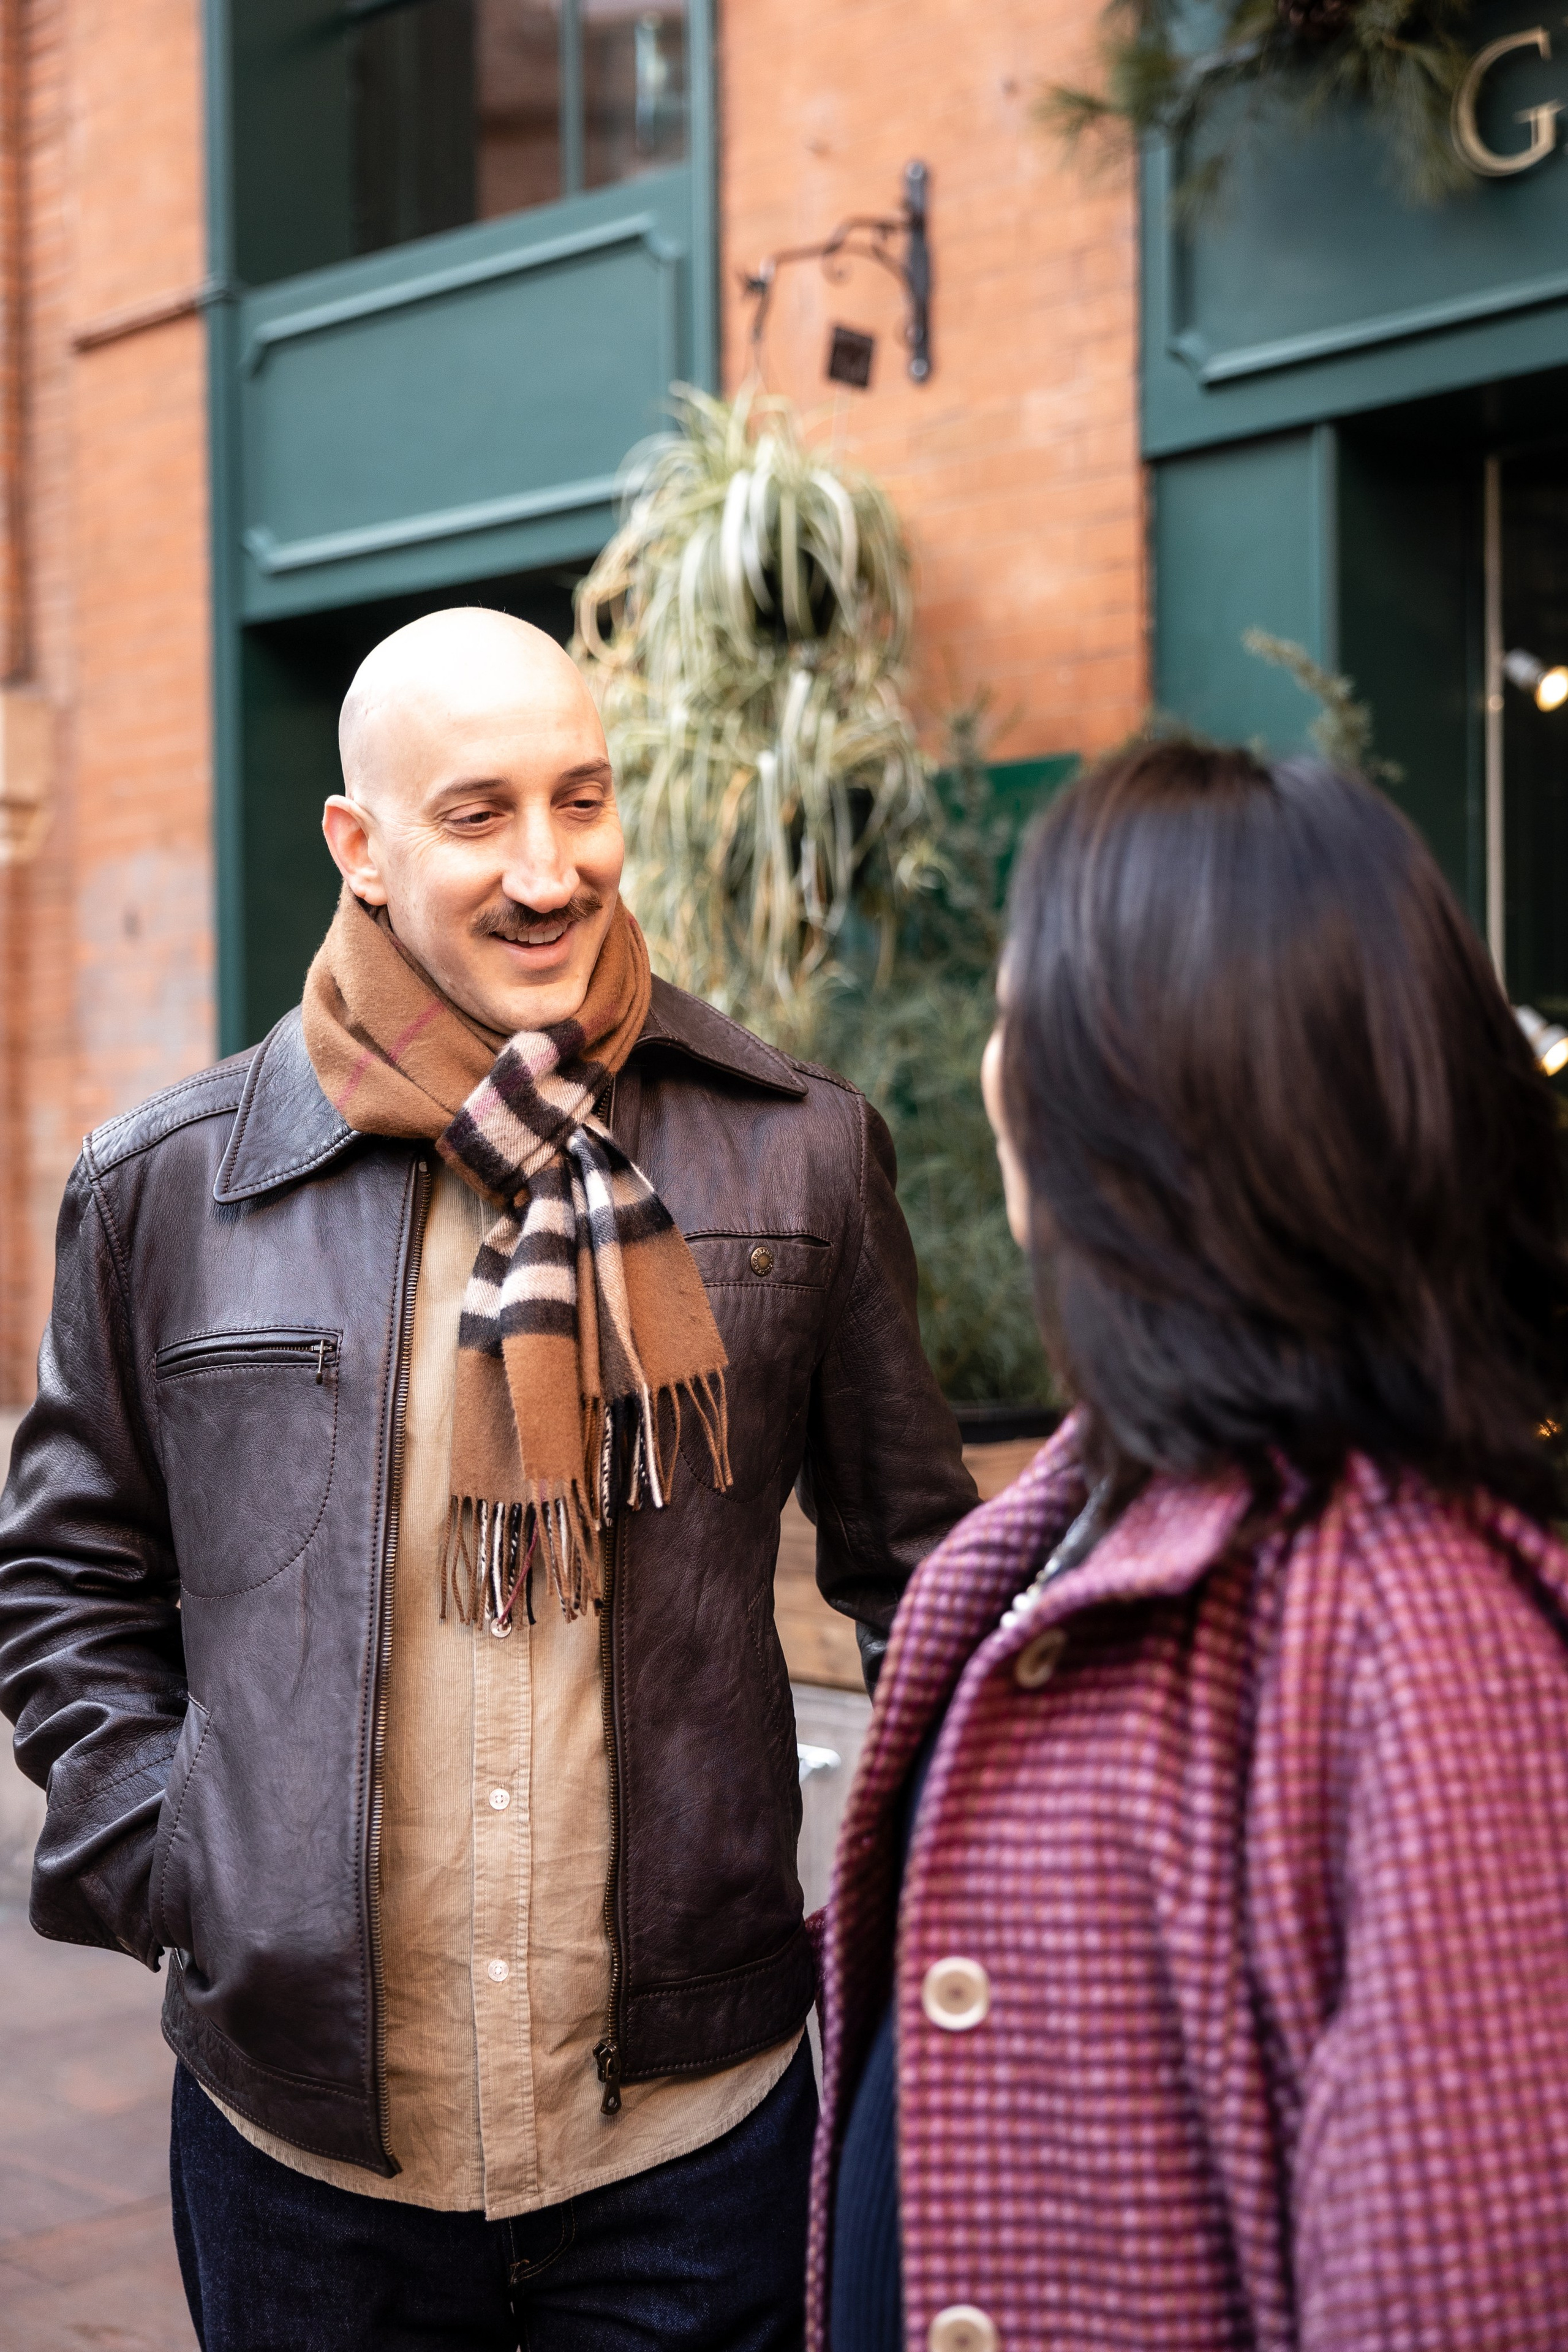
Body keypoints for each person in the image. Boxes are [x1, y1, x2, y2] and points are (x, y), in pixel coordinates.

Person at [0, 606, 976, 2352]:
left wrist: (947, 1910)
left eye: (582, 800)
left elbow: (925, 1574)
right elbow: (66, 1580)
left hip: (698, 2132)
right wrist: (189, 1865)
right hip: (305, 2146)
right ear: (359, 849)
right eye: (478, 817)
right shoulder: (164, 1189)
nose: (550, 869)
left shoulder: (800, 1148)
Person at [811, 740, 1568, 2352]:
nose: (997, 1063)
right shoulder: (1068, 1529)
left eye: (1026, 1009)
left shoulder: (1416, 1643)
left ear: (1139, 1105)